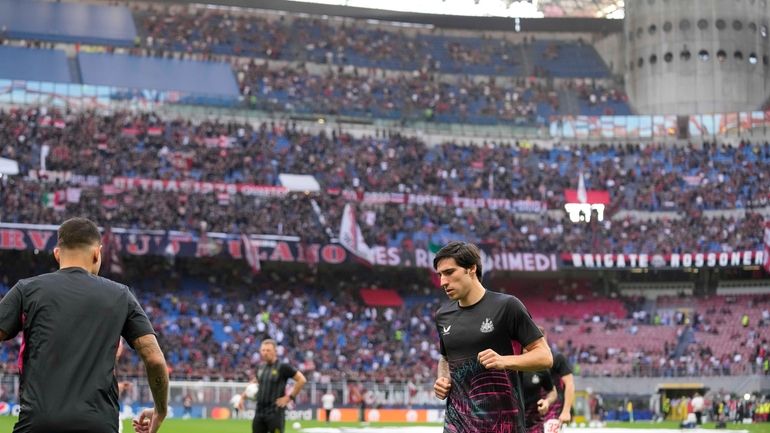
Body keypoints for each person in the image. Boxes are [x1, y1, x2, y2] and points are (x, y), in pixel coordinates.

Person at [0, 217, 169, 433]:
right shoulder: (120, 295)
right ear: (97, 253)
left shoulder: (27, 290)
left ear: (57, 253)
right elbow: (154, 359)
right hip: (98, 425)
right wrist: (160, 410)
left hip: (37, 424)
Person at [432, 241, 553, 433]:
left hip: (503, 424)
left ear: (471, 269)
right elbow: (446, 359)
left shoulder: (507, 306)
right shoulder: (442, 315)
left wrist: (504, 361)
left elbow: (545, 357)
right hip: (456, 424)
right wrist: (443, 380)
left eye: (449, 272)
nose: (443, 282)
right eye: (440, 275)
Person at [250, 339, 307, 433]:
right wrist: (242, 397)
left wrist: (289, 397)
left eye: (268, 350)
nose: (265, 353)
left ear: (275, 351)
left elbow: (302, 380)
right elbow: (254, 382)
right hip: (259, 412)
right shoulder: (260, 368)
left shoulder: (283, 367)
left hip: (275, 412)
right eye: (263, 350)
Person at [542, 331, 575, 427]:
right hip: (530, 409)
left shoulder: (557, 358)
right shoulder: (524, 358)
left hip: (553, 409)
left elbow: (569, 383)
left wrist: (566, 411)